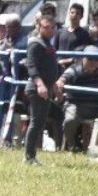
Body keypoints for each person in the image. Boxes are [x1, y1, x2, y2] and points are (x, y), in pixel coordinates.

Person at [56, 48, 98, 152]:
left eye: (96, 59)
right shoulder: (74, 69)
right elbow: (62, 79)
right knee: (69, 121)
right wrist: (60, 83)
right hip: (76, 105)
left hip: (97, 106)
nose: (93, 62)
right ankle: (72, 146)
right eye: (90, 59)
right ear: (83, 58)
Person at [24, 16, 62, 164]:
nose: (50, 30)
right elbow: (32, 67)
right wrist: (40, 85)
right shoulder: (36, 44)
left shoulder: (48, 44)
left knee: (40, 122)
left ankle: (32, 155)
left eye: (53, 27)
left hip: (47, 87)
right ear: (39, 27)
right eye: (46, 27)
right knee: (36, 122)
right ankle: (29, 156)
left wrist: (54, 86)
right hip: (37, 88)